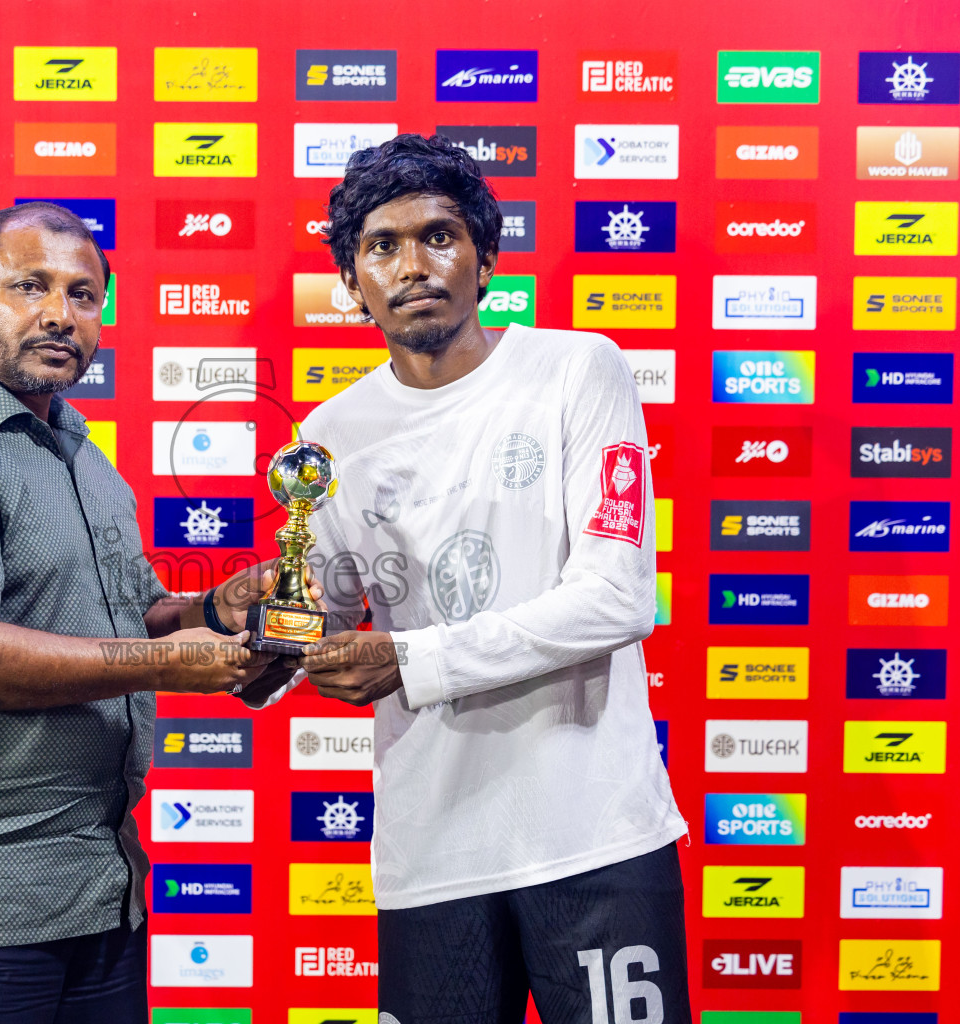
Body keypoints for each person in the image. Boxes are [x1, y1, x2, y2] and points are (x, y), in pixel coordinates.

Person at [0, 202, 288, 1023]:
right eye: (28, 287)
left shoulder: (80, 452)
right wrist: (169, 665)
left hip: (97, 890)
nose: (60, 314)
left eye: (83, 295)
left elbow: (131, 621)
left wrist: (220, 608)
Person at [268, 135, 692, 1023]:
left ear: (486, 256)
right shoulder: (332, 432)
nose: (412, 264)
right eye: (381, 246)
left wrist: (412, 661)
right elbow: (335, 616)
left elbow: (617, 596)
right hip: (433, 849)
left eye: (439, 236)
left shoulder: (578, 369)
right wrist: (280, 619)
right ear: (352, 283)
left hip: (593, 836)